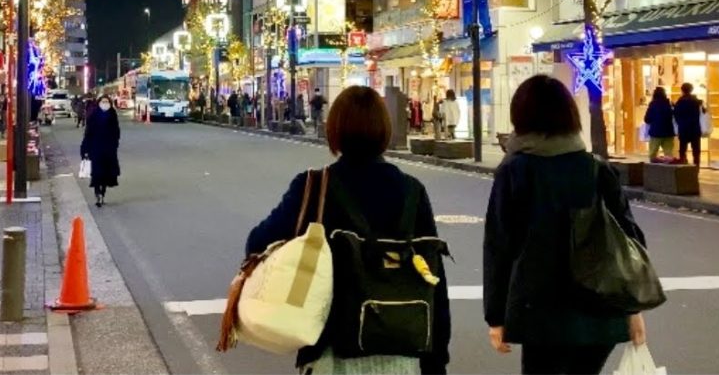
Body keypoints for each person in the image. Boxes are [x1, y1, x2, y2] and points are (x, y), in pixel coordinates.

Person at [246, 86, 451, 374]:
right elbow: (433, 276)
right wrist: (437, 360)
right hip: (402, 352)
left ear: (335, 130)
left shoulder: (314, 187)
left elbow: (258, 244)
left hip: (332, 351)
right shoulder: (412, 191)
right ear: (385, 129)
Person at [484, 75, 648, 375]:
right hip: (600, 310)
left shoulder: (515, 171)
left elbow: (499, 246)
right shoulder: (596, 168)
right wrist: (632, 309)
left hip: (541, 313)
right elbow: (629, 241)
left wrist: (496, 316)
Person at [81, 94, 121, 207]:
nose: (105, 104)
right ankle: (97, 193)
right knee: (97, 172)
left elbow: (116, 131)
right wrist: (86, 148)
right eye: (102, 102)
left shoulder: (112, 114)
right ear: (98, 103)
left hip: (109, 149)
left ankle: (102, 193)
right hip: (96, 148)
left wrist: (115, 144)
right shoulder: (94, 115)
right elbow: (88, 133)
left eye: (106, 102)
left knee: (106, 173)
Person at [673, 83, 704, 166]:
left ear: (682, 90)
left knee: (682, 149)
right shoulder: (697, 102)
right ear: (691, 90)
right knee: (696, 151)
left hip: (683, 128)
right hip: (695, 128)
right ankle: (696, 167)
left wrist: (680, 122)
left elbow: (676, 115)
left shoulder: (680, 102)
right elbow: (703, 113)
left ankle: (683, 166)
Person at [643, 87, 676, 160]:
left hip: (656, 132)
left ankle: (653, 169)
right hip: (668, 132)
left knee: (653, 154)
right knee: (668, 153)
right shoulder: (669, 104)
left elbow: (647, 119)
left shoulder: (653, 104)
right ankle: (669, 169)